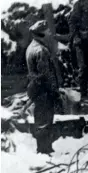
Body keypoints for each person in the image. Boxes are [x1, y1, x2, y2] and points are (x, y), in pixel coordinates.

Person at [26, 20, 61, 155]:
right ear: (42, 33)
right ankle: (44, 150)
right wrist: (55, 92)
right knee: (45, 120)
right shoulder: (41, 51)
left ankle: (44, 148)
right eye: (48, 31)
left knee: (40, 118)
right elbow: (46, 74)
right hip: (43, 89)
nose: (50, 33)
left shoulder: (31, 47)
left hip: (36, 87)